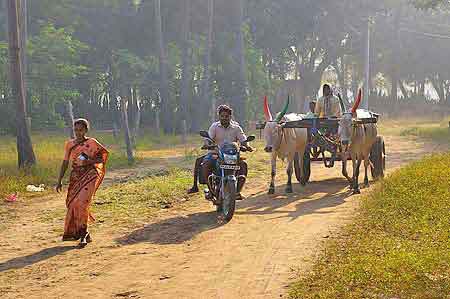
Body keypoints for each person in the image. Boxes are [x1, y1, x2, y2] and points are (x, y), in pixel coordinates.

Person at [56, 118, 109, 247]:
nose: (78, 133)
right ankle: (81, 232)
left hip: (90, 175)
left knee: (82, 204)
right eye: (76, 130)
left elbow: (102, 157)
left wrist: (88, 162)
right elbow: (65, 162)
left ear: (85, 130)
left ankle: (83, 234)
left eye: (80, 130)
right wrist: (59, 180)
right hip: (76, 176)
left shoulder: (92, 142)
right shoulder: (70, 144)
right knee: (73, 204)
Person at [193, 105, 252, 200]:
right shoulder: (214, 126)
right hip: (215, 153)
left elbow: (243, 140)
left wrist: (247, 146)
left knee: (243, 165)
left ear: (230, 117)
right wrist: (207, 144)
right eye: (222, 116)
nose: (224, 118)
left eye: (226, 116)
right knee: (206, 163)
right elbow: (208, 138)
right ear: (219, 116)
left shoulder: (236, 128)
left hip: (232, 155)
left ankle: (237, 192)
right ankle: (211, 189)